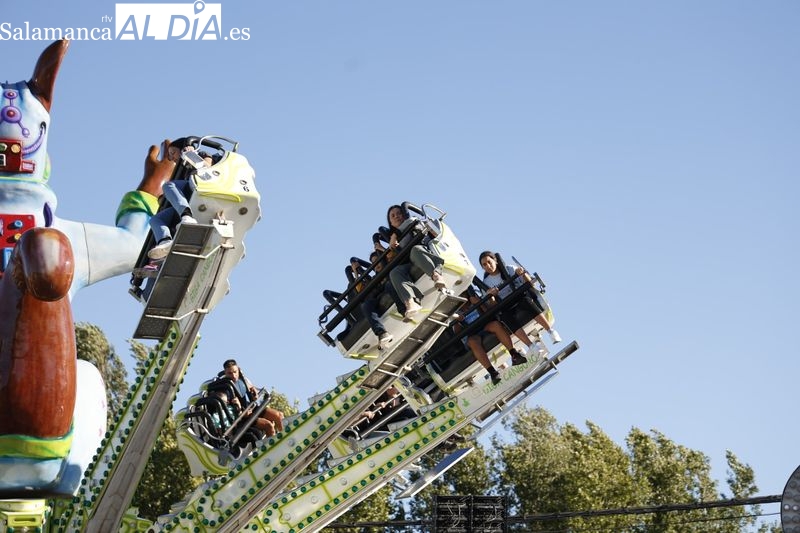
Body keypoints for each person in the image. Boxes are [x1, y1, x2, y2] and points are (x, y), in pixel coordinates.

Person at [478, 251, 561, 357]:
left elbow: (528, 282)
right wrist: (491, 296)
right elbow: (493, 305)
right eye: (484, 265)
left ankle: (550, 331)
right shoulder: (486, 283)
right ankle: (531, 346)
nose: (488, 266)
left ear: (495, 261)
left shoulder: (509, 269)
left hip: (519, 297)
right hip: (505, 304)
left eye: (489, 262)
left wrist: (522, 273)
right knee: (505, 317)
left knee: (526, 302)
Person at [147, 139, 212, 260]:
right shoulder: (180, 171)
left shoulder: (200, 154)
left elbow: (208, 167)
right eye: (169, 155)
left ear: (182, 148)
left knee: (168, 185)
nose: (171, 158)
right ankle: (164, 241)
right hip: (187, 198)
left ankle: (187, 216)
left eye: (173, 153)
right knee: (155, 220)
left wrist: (192, 155)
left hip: (200, 187)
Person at [452, 288, 528, 385]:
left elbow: (488, 312)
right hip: (472, 333)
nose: (462, 297)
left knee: (496, 325)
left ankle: (514, 354)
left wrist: (479, 303)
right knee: (472, 341)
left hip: (485, 325)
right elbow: (457, 332)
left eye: (463, 294)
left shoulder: (475, 299)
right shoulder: (456, 312)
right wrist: (457, 321)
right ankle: (492, 372)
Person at [385, 204, 445, 319]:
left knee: (414, 249)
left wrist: (395, 235)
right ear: (390, 222)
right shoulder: (395, 240)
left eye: (399, 213)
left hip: (423, 251)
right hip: (410, 261)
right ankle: (410, 302)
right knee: (395, 272)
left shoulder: (413, 221)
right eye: (393, 216)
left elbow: (413, 220)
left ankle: (437, 275)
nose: (397, 216)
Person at [222, 359, 284, 438]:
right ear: (225, 373)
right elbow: (229, 411)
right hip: (242, 417)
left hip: (250, 407)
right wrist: (241, 411)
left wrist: (254, 393)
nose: (233, 376)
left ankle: (284, 436)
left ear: (238, 370)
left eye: (235, 372)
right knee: (268, 425)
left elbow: (252, 392)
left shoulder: (243, 380)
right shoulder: (225, 388)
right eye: (230, 373)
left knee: (279, 415)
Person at [360, 250, 406, 349]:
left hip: (393, 287)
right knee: (366, 305)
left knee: (389, 284)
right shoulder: (375, 278)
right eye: (373, 264)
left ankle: (404, 311)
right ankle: (382, 333)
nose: (376, 265)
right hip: (381, 293)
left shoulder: (391, 265)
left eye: (377, 261)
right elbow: (373, 293)